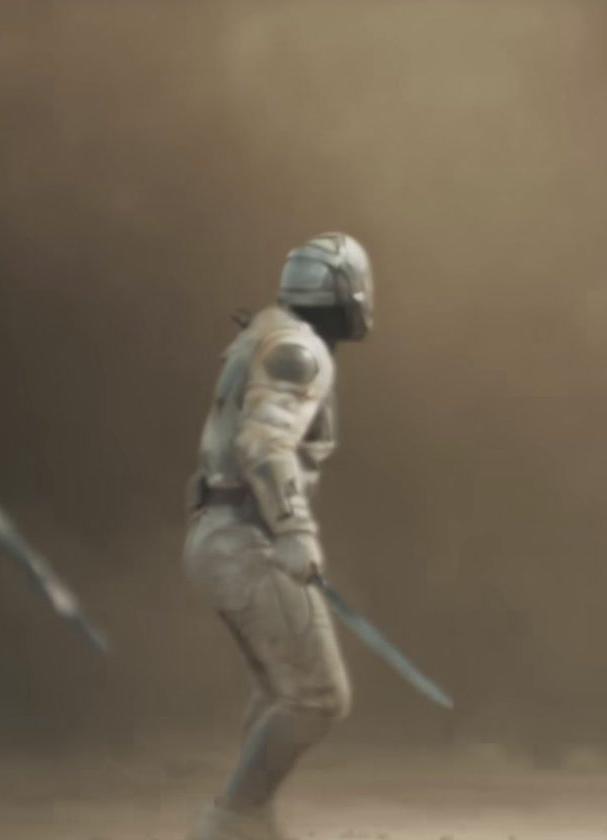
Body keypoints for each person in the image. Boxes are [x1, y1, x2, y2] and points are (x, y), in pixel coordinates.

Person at [183, 233, 373, 840]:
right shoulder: (297, 348)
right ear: (346, 291)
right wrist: (294, 529)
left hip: (224, 535)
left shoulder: (267, 334)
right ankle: (232, 822)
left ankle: (249, 819)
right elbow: (264, 443)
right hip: (247, 538)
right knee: (318, 696)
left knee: (279, 689)